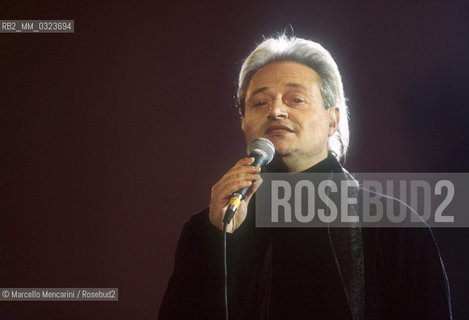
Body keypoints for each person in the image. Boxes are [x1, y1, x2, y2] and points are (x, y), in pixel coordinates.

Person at [159, 35, 452, 319]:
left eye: (295, 99)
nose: (276, 111)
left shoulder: (394, 225)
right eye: (260, 103)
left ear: (332, 119)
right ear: (243, 122)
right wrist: (216, 239)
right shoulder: (209, 226)